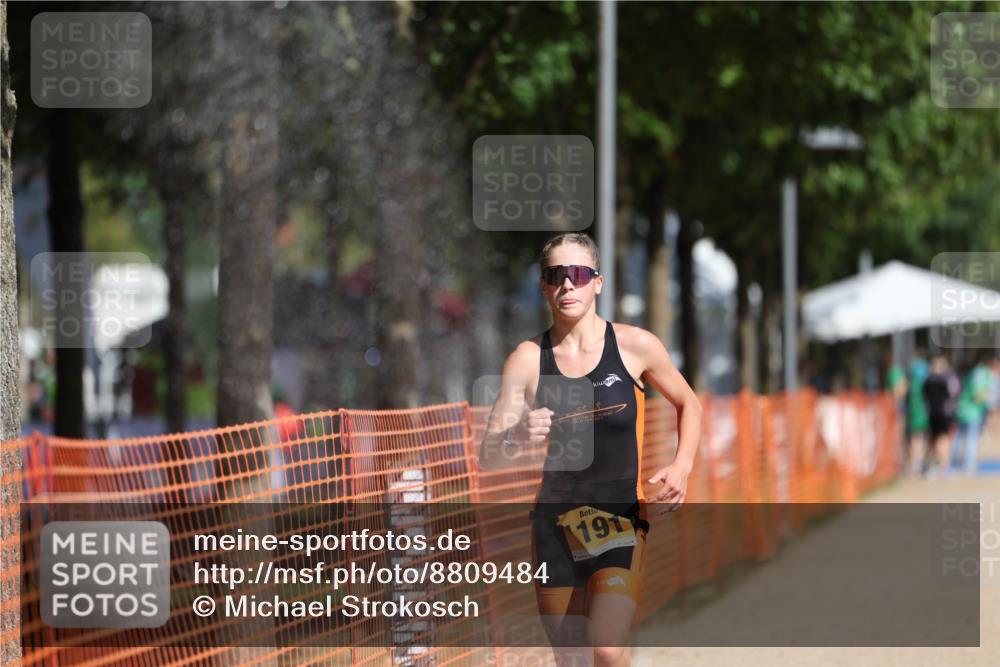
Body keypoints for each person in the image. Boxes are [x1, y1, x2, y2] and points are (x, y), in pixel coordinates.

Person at [480, 233, 702, 667]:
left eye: (578, 275)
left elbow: (688, 403)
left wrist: (682, 467)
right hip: (553, 523)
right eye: (555, 276)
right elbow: (488, 454)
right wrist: (519, 436)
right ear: (544, 286)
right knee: (572, 658)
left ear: (597, 282)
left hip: (618, 518)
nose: (567, 285)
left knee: (604, 647)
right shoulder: (527, 360)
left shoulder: (635, 346)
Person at [951, 355, 992, 475]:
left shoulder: (972, 373)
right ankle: (968, 465)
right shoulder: (981, 373)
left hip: (963, 410)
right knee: (971, 439)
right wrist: (988, 398)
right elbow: (978, 395)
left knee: (959, 438)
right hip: (973, 412)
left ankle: (954, 464)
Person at [922, 354, 960, 477]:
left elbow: (924, 396)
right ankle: (944, 466)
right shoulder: (946, 379)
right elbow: (954, 393)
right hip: (942, 414)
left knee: (933, 440)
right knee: (942, 440)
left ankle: (932, 466)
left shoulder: (928, 379)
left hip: (933, 414)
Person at [905, 355, 930, 475]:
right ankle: (918, 464)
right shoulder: (923, 384)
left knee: (915, 441)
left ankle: (915, 464)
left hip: (913, 416)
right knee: (920, 440)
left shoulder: (911, 384)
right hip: (921, 416)